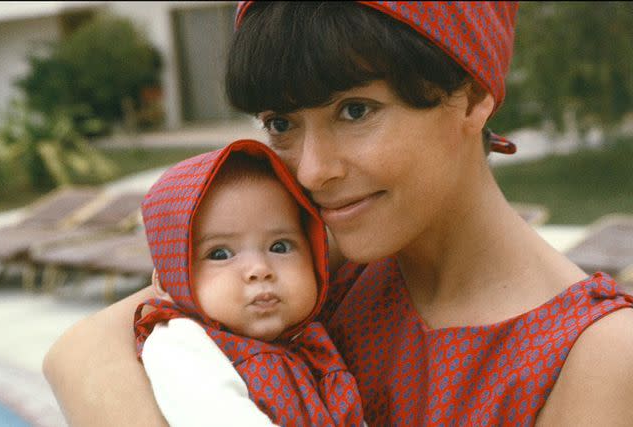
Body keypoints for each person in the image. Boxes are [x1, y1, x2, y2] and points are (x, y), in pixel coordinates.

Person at [43, 2, 633, 426]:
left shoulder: (595, 355)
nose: (310, 171)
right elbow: (80, 352)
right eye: (282, 124)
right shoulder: (312, 270)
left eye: (355, 111)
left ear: (475, 95)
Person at [133, 139, 364, 426]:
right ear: (167, 281)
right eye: (220, 254)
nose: (259, 269)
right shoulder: (181, 342)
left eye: (280, 247)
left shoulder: (313, 347)